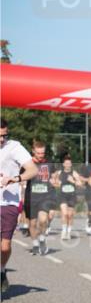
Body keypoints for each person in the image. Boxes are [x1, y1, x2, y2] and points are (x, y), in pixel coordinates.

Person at [0, 119, 38, 293]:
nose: (2, 139)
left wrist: (15, 179)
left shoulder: (14, 147)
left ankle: (1, 270)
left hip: (9, 202)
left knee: (4, 246)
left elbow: (32, 170)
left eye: (5, 135)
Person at [24, 140, 58, 256]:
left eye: (42, 153)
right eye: (38, 153)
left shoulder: (49, 162)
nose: (40, 155)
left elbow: (54, 177)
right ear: (33, 151)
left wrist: (55, 181)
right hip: (31, 196)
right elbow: (21, 179)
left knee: (43, 220)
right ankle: (35, 244)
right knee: (32, 224)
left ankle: (42, 239)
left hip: (45, 196)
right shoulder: (27, 164)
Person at [53, 155, 83, 240]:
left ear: (71, 164)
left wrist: (73, 181)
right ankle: (63, 231)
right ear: (63, 164)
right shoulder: (59, 173)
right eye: (66, 163)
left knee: (70, 215)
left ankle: (68, 232)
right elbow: (54, 182)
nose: (68, 165)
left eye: (69, 163)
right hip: (62, 195)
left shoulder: (74, 173)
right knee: (65, 213)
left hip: (72, 196)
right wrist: (57, 183)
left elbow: (80, 184)